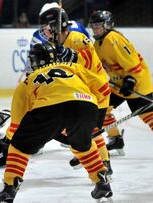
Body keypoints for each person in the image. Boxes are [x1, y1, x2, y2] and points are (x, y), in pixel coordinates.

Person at [0, 43, 113, 203]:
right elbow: (104, 88)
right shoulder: (72, 68)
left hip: (49, 109)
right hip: (85, 105)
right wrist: (96, 117)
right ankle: (102, 182)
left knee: (19, 146)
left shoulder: (27, 82)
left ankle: (9, 188)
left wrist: (10, 141)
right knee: (82, 145)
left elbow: (16, 124)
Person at [23, 2, 113, 174]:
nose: (44, 31)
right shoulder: (57, 44)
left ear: (58, 26)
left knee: (89, 132)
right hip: (83, 92)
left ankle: (103, 164)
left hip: (96, 92)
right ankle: (99, 161)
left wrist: (73, 56)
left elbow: (89, 64)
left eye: (48, 27)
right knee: (83, 131)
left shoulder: (77, 39)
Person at [89, 10, 153, 155]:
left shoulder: (113, 38)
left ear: (107, 25)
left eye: (98, 25)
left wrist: (130, 81)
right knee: (102, 108)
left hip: (137, 84)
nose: (95, 28)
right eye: (93, 26)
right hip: (118, 86)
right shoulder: (98, 44)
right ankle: (115, 138)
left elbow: (133, 62)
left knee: (149, 117)